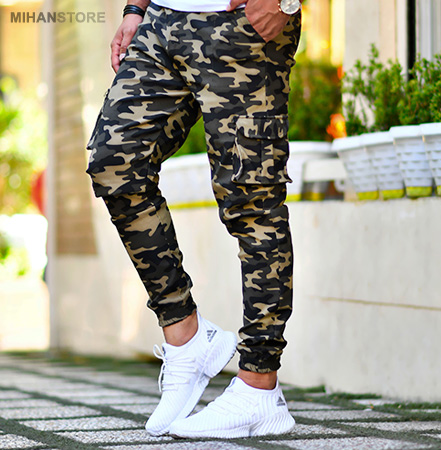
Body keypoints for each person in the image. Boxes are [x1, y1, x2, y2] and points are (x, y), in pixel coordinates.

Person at [86, 0, 302, 439]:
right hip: (161, 20)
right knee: (115, 163)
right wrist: (135, 8)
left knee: (252, 200)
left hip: (239, 25)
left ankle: (259, 386)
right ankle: (186, 337)